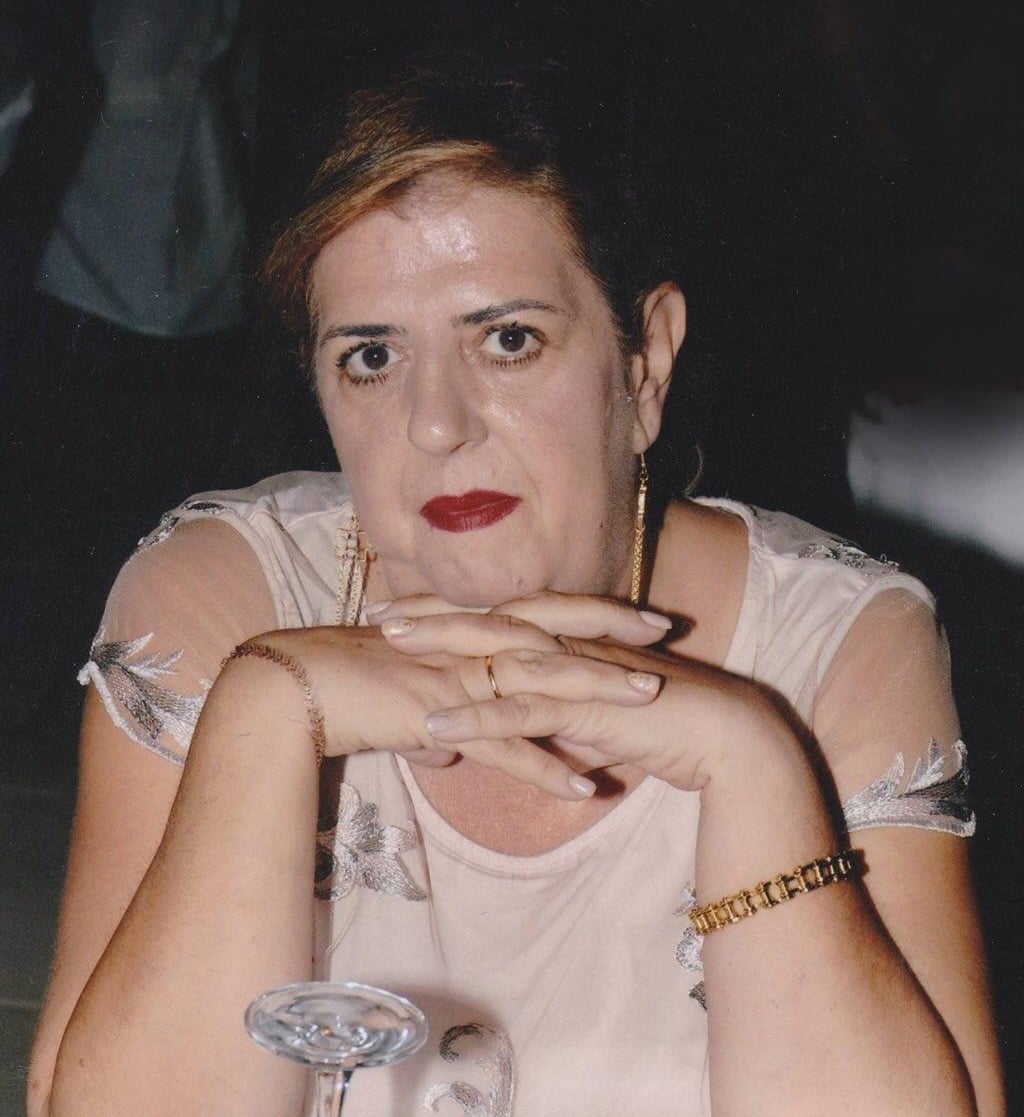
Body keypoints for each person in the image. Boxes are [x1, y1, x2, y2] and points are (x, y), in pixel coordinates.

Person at [27, 60, 1003, 1116]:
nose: (435, 423)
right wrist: (266, 713)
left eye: (508, 340)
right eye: (370, 357)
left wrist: (756, 767)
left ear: (644, 362)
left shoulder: (837, 644)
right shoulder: (224, 603)